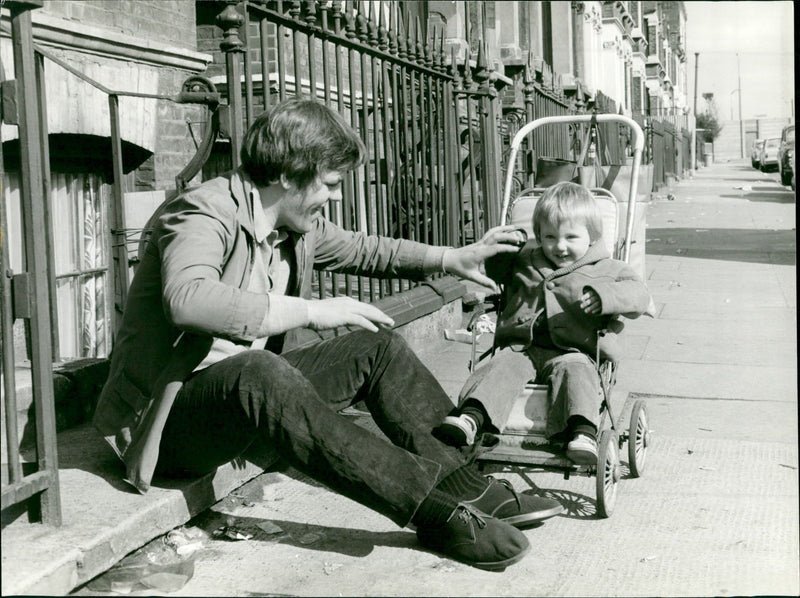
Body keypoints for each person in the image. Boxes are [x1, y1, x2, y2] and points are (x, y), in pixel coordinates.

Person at [92, 98, 565, 572]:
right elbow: (187, 299)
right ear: (290, 173)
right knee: (260, 372)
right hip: (168, 418)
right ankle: (435, 513)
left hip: (245, 400)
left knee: (375, 346)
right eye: (332, 183)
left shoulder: (295, 225)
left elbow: (365, 249)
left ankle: (466, 485)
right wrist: (310, 311)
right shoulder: (202, 211)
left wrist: (450, 259)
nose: (335, 197)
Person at [434, 181, 654, 463]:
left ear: (593, 236)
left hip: (575, 351)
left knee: (577, 374)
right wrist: (503, 247)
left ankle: (582, 432)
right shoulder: (526, 258)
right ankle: (471, 417)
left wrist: (606, 297)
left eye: (571, 238)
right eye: (549, 237)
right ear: (539, 235)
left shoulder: (606, 268)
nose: (559, 247)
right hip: (522, 348)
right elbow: (496, 271)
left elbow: (639, 293)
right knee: (500, 367)